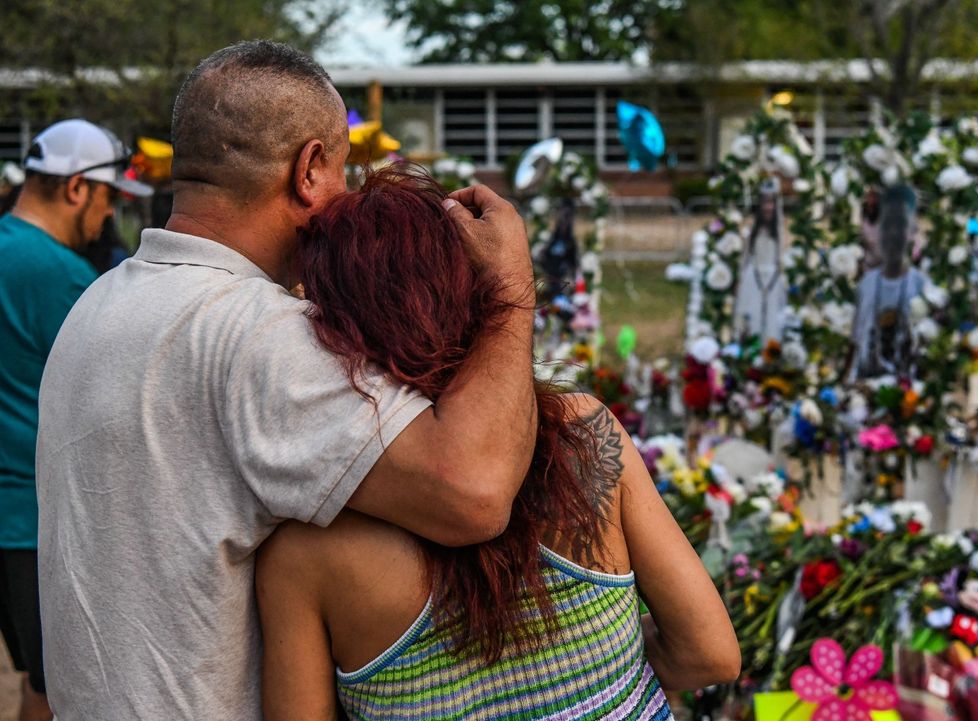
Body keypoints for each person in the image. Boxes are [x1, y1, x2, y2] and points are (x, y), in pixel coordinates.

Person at [36, 41, 537, 721]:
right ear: (309, 170)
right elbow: (471, 492)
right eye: (344, 174)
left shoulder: (96, 305)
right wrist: (511, 284)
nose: (346, 201)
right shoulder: (251, 330)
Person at [255, 167, 739, 720]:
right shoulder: (584, 436)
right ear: (471, 288)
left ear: (332, 331)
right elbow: (709, 655)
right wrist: (607, 659)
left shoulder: (305, 554)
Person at [0, 118, 153, 721]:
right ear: (76, 189)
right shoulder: (61, 274)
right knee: (57, 691)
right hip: (35, 523)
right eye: (111, 198)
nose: (108, 216)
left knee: (33, 683)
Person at [848, 184, 926, 380]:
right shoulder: (867, 283)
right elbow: (857, 340)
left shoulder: (919, 284)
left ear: (909, 234)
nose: (893, 236)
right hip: (867, 379)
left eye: (900, 227)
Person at [733, 179, 789, 344]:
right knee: (752, 314)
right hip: (754, 277)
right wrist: (740, 278)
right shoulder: (753, 229)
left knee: (772, 317)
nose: (768, 207)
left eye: (771, 203)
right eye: (765, 203)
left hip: (773, 278)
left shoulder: (779, 231)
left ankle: (770, 349)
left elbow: (781, 256)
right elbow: (745, 256)